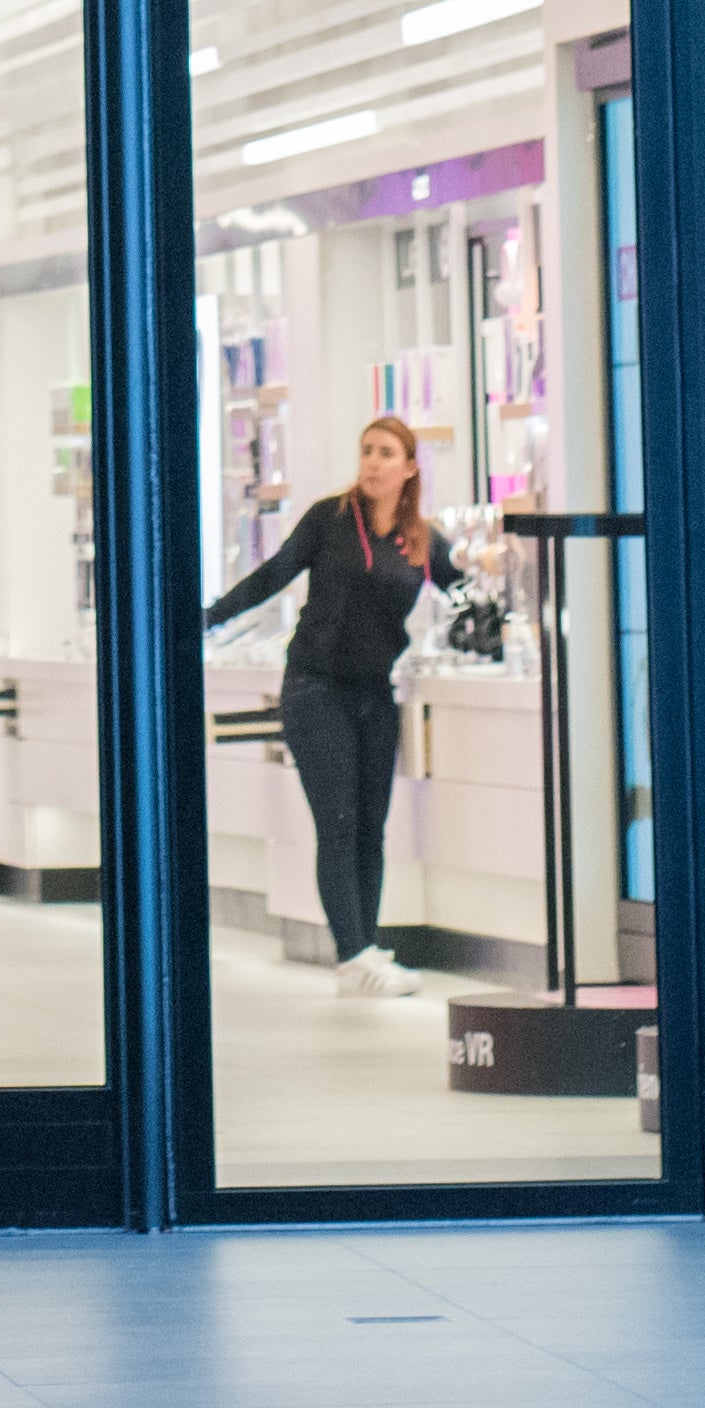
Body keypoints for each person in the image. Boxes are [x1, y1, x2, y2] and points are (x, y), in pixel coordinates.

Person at [204, 413, 455, 999]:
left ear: (410, 467)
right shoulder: (330, 519)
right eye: (366, 450)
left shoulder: (422, 539)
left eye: (386, 453)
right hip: (316, 688)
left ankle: (367, 946)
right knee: (338, 823)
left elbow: (460, 588)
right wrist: (208, 618)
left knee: (373, 826)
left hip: (375, 692)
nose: (372, 462)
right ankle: (353, 955)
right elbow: (274, 575)